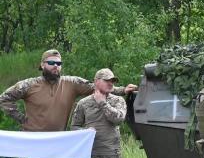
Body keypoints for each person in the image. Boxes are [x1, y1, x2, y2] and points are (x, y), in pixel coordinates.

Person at [0, 49, 136, 132]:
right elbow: (3, 99)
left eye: (59, 64)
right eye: (51, 63)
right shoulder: (28, 84)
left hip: (59, 140)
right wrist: (22, 119)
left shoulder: (71, 83)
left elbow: (98, 87)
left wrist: (123, 90)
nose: (56, 66)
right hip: (32, 140)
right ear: (42, 65)